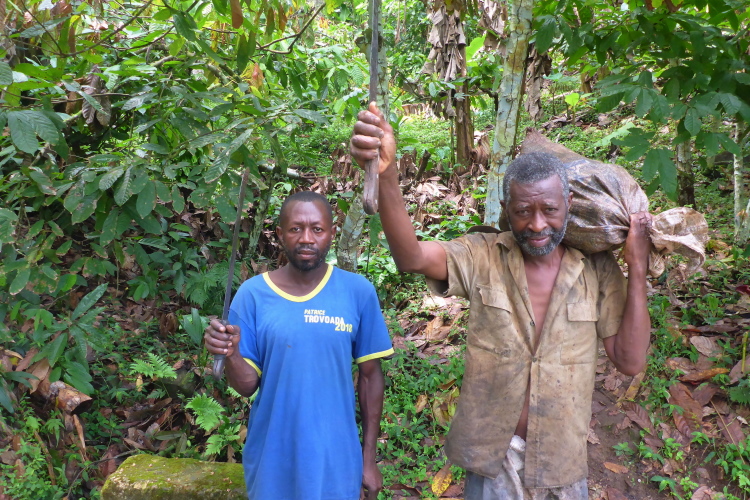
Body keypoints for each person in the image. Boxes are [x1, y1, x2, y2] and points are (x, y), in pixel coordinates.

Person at [349, 103, 652, 500]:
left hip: (561, 460)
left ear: (569, 204)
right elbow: (412, 258)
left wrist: (637, 268)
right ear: (507, 209)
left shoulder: (597, 269)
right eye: (524, 211)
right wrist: (387, 174)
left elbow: (630, 361)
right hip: (494, 458)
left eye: (550, 210)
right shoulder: (483, 255)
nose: (537, 224)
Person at [204, 191, 394, 500]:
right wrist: (230, 352)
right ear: (280, 234)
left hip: (336, 458)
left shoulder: (357, 292)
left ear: (332, 233)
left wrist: (368, 459)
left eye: (317, 229)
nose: (306, 238)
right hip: (272, 458)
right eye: (295, 229)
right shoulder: (252, 295)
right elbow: (247, 387)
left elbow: (371, 377)